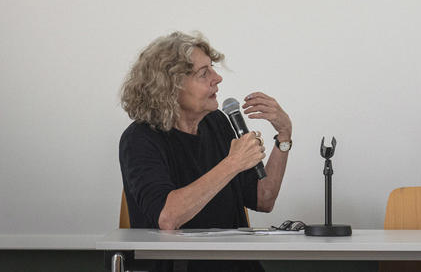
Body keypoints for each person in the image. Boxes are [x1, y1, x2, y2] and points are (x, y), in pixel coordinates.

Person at [119, 31, 293, 270]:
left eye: (212, 68)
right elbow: (168, 218)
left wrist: (283, 137)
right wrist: (233, 164)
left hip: (235, 265)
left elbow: (263, 199)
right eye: (204, 73)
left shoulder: (217, 122)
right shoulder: (140, 139)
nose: (217, 77)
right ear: (171, 87)